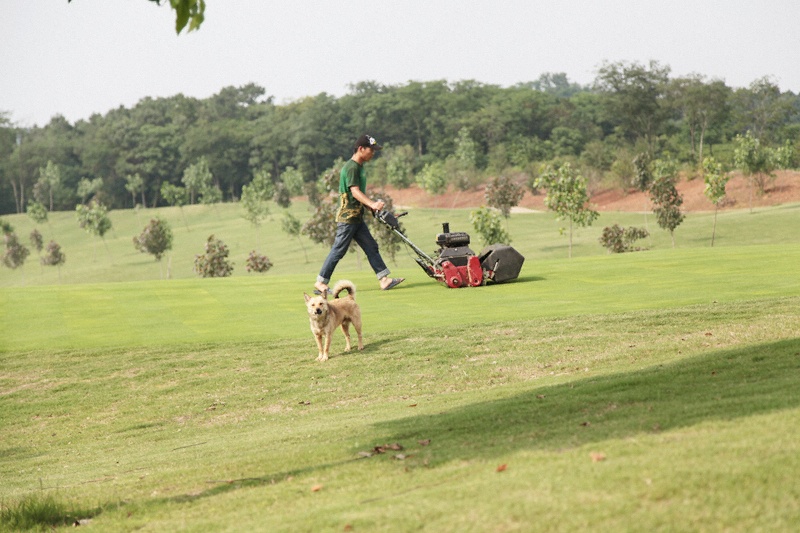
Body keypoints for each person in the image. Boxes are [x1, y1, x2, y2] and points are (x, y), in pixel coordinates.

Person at [314, 134, 404, 294]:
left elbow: (358, 194)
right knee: (339, 250)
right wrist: (372, 204)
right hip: (348, 218)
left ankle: (384, 280)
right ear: (361, 149)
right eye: (371, 150)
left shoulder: (359, 168)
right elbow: (354, 192)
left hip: (356, 218)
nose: (373, 153)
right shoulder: (351, 167)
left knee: (371, 246)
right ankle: (321, 283)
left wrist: (371, 208)